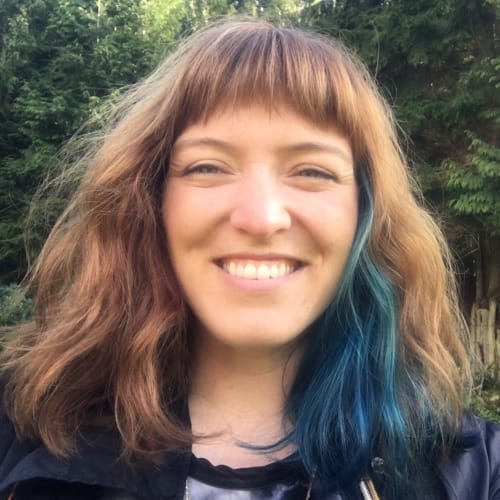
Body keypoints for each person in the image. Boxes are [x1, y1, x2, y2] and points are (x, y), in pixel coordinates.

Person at [0, 19, 499, 500]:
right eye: (208, 166)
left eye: (312, 171)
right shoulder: (20, 428)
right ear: (149, 199)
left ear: (365, 212)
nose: (261, 218)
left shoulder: (475, 473)